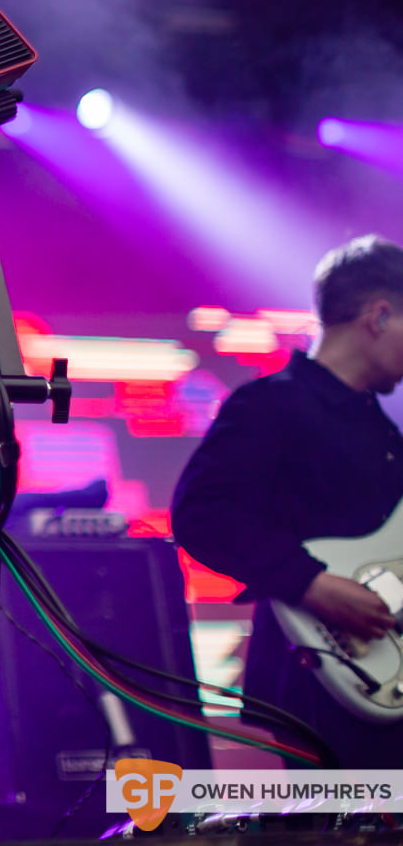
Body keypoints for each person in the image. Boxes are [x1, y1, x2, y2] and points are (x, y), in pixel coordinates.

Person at [172, 233, 403, 766]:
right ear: (380, 314)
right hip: (323, 675)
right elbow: (202, 513)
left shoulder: (382, 429)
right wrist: (311, 583)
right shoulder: (271, 404)